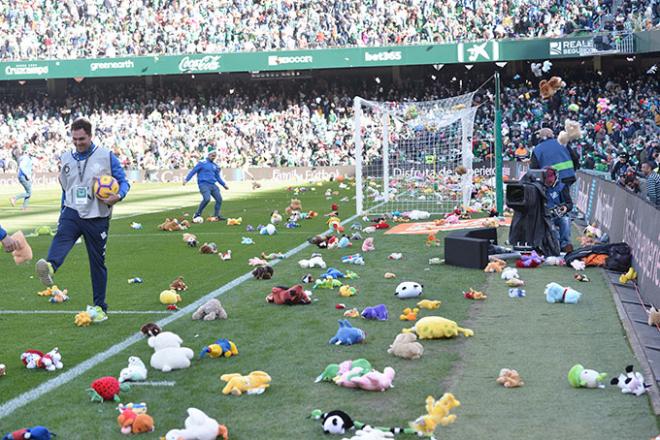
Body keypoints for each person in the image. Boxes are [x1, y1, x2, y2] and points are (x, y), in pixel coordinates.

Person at [35, 118, 130, 320]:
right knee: (62, 237)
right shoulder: (66, 157)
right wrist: (62, 210)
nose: (78, 143)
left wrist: (118, 195)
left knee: (97, 263)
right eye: (75, 139)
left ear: (90, 135)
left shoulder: (106, 156)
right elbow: (65, 187)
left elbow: (123, 182)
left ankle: (100, 307)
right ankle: (50, 266)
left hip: (97, 216)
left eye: (82, 139)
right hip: (72, 211)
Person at [183, 147, 229, 221]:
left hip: (213, 185)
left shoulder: (216, 166)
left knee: (219, 199)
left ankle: (217, 215)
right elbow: (193, 171)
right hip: (203, 184)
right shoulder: (202, 163)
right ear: (208, 154)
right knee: (207, 199)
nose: (214, 157)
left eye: (215, 155)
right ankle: (197, 214)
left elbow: (218, 177)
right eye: (212, 155)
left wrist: (224, 184)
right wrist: (186, 179)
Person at [544, 167, 574, 253]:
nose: (549, 182)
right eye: (547, 179)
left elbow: (569, 203)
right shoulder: (540, 186)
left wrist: (565, 208)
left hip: (558, 214)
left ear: (555, 176)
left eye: (550, 179)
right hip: (545, 216)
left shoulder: (562, 187)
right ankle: (554, 244)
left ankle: (565, 244)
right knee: (551, 229)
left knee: (565, 219)